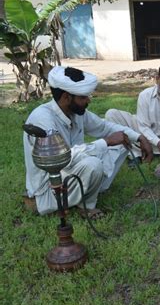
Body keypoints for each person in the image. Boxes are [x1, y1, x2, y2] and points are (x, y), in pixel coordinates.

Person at [23, 66, 153, 217]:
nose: (88, 100)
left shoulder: (76, 112)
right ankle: (86, 206)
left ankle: (89, 188)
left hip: (72, 172)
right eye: (83, 97)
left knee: (122, 142)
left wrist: (138, 137)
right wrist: (105, 142)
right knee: (93, 163)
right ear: (66, 97)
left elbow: (104, 126)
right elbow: (63, 158)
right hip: (49, 188)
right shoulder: (43, 118)